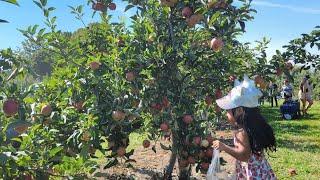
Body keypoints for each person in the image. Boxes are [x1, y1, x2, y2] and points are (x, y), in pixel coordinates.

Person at [212, 75, 277, 179]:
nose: (226, 114)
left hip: (251, 174)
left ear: (239, 111)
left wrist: (224, 147)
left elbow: (244, 156)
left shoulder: (242, 132)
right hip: (260, 170)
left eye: (228, 110)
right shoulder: (254, 124)